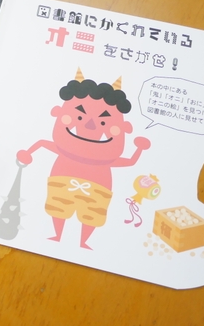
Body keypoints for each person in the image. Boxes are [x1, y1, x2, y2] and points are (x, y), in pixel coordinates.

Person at [16, 68, 150, 250]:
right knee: (58, 208)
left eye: (103, 122)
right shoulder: (63, 145)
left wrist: (140, 149)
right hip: (62, 179)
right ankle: (57, 234)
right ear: (57, 113)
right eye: (80, 116)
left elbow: (130, 162)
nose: (90, 125)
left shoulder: (108, 157)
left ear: (125, 128)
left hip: (99, 187)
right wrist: (27, 153)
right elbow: (41, 143)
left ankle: (83, 241)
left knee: (92, 215)